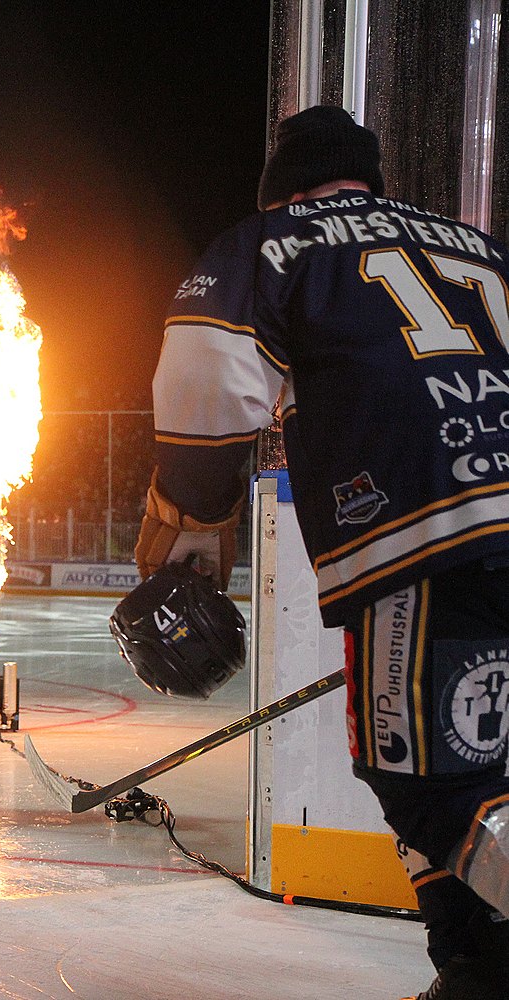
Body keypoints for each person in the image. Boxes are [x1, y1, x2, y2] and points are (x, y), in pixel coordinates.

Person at [137, 106, 508, 999]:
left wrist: (195, 509)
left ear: (284, 190)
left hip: (427, 536)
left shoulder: (271, 242)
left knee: (428, 782)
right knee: (473, 772)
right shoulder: (478, 246)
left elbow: (205, 372)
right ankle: (479, 964)